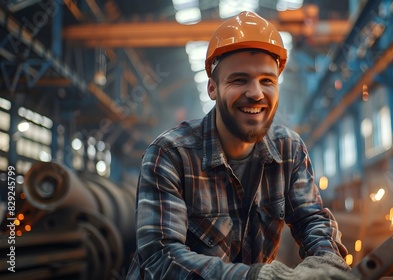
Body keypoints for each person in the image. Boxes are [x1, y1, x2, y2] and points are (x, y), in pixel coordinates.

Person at [126, 11, 356, 280]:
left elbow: (311, 219)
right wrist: (258, 277)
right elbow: (160, 257)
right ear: (212, 88)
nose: (256, 93)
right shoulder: (170, 154)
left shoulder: (289, 150)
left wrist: (326, 261)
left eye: (267, 81)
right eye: (239, 80)